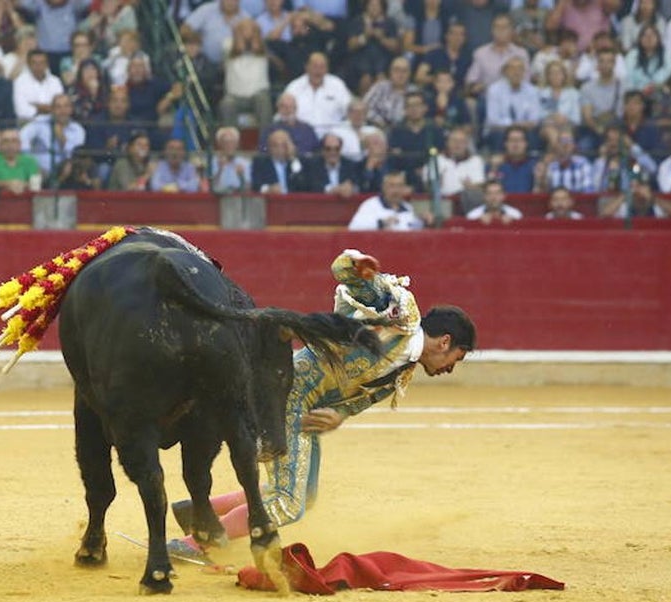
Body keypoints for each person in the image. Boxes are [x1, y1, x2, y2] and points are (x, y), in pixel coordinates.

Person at [166, 249, 476, 560]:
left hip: (303, 409)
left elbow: (360, 399)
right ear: (445, 342)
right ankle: (195, 543)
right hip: (286, 395)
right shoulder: (399, 316)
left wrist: (338, 414)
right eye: (457, 358)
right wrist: (357, 267)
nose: (451, 367)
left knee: (306, 495)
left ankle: (196, 511)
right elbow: (348, 274)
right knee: (288, 501)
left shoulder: (404, 369)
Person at [18, 91, 84, 176]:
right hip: (38, 171)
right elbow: (22, 137)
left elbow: (72, 156)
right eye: (58, 107)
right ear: (52, 110)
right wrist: (30, 162)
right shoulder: (41, 121)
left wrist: (61, 138)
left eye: (66, 106)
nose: (63, 111)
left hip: (65, 174)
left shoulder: (77, 130)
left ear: (71, 109)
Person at [348, 169, 428, 230]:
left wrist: (424, 221)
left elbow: (413, 230)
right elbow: (354, 227)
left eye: (400, 186)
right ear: (384, 187)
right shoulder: (371, 205)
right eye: (392, 186)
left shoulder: (408, 208)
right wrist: (381, 223)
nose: (396, 190)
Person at [425, 125, 485, 197]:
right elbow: (426, 186)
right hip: (442, 200)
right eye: (454, 140)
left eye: (461, 141)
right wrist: (434, 185)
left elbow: (481, 185)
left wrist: (472, 187)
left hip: (467, 201)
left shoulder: (476, 161)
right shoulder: (436, 160)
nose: (457, 144)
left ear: (467, 144)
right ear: (447, 143)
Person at [300, 131, 361, 196]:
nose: (333, 152)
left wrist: (352, 188)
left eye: (337, 149)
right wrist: (333, 190)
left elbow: (358, 185)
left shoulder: (350, 166)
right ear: (322, 150)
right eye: (328, 149)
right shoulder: (312, 166)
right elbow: (311, 186)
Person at [0, 127, 42, 192]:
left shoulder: (30, 161)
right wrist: (9, 184)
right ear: (0, 145)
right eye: (6, 141)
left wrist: (21, 185)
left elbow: (35, 184)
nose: (10, 145)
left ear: (20, 145)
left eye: (14, 141)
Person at [260, 91, 319, 156]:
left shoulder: (307, 129)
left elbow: (317, 152)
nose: (288, 110)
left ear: (296, 108)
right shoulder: (270, 130)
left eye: (291, 107)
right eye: (284, 107)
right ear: (278, 109)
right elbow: (263, 151)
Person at [251, 127, 308, 193]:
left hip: (293, 199)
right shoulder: (260, 163)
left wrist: (292, 158)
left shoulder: (298, 162)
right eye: (275, 145)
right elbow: (255, 186)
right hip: (272, 198)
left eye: (283, 145)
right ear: (269, 147)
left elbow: (304, 186)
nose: (279, 149)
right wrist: (269, 189)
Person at [491, 125, 536, 193]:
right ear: (505, 144)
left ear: (526, 143)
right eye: (511, 140)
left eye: (519, 140)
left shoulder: (534, 166)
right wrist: (494, 169)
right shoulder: (495, 165)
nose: (515, 143)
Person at [208, 124, 252, 193]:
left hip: (238, 197)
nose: (229, 146)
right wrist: (220, 170)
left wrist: (241, 176)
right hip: (219, 197)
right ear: (219, 144)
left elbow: (249, 189)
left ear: (237, 144)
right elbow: (209, 188)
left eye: (232, 142)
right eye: (226, 142)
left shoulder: (245, 163)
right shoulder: (212, 162)